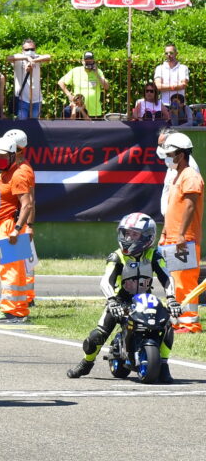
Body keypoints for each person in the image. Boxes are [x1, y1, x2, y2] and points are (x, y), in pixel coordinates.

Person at [66, 212, 179, 383]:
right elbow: (106, 281)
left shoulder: (154, 255)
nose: (128, 238)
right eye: (126, 233)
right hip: (120, 301)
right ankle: (86, 363)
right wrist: (112, 301)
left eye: (134, 234)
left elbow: (167, 277)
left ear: (147, 237)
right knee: (97, 336)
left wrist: (171, 298)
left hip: (145, 300)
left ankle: (163, 365)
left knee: (168, 325)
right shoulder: (117, 256)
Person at [0, 136, 36, 322]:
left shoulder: (19, 175)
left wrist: (18, 229)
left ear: (13, 156)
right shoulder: (5, 173)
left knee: (11, 270)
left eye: (3, 156)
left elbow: (27, 204)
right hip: (5, 227)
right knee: (11, 269)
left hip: (10, 227)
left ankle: (12, 311)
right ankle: (15, 309)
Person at [157, 132, 203, 333]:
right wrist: (166, 232)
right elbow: (172, 208)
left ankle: (190, 323)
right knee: (176, 281)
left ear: (180, 154)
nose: (167, 157)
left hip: (185, 238)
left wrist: (183, 234)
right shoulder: (178, 175)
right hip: (173, 236)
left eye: (170, 153)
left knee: (185, 280)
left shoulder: (191, 176)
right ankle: (179, 321)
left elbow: (190, 206)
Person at [158, 128, 201, 220]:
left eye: (162, 145)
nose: (161, 149)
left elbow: (189, 206)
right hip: (171, 222)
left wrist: (180, 233)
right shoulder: (173, 165)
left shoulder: (190, 170)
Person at [6, 39, 52, 120]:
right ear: (22, 50)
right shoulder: (18, 58)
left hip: (36, 99)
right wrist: (26, 57)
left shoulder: (37, 57)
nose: (30, 51)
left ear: (35, 49)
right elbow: (8, 58)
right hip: (22, 99)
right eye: (27, 49)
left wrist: (33, 60)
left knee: (33, 124)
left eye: (32, 49)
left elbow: (49, 57)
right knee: (22, 123)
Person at [58, 52, 108, 118]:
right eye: (86, 60)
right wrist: (69, 95)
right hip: (79, 111)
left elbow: (106, 86)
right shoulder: (75, 71)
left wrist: (96, 73)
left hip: (95, 112)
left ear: (93, 61)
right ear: (82, 61)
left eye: (90, 60)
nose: (88, 62)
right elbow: (61, 82)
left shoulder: (98, 71)